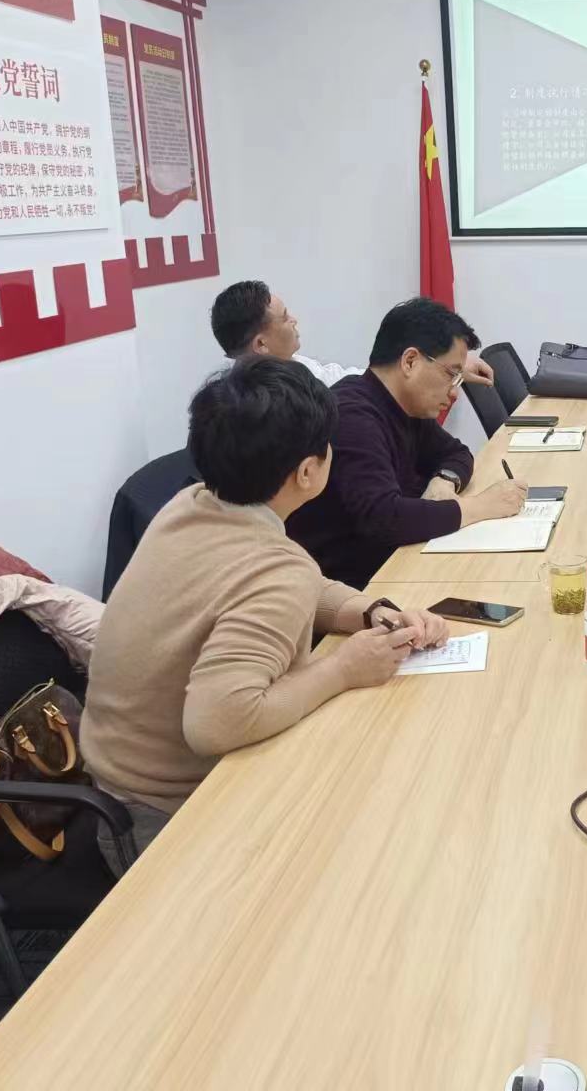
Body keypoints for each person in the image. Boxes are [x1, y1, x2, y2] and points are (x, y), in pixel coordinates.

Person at [81, 358, 449, 871]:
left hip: (112, 785)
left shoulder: (194, 503)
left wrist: (370, 610)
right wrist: (342, 670)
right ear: (308, 472)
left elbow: (288, 582)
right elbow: (218, 723)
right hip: (169, 821)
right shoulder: (275, 569)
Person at [288, 297, 526, 587]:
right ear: (410, 361)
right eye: (452, 374)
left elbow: (456, 453)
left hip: (403, 558)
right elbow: (384, 518)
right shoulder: (352, 416)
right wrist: (481, 506)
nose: (454, 392)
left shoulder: (403, 404)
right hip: (362, 584)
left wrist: (444, 481)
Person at [209, 279, 496, 390]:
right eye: (285, 318)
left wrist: (444, 367)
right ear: (261, 344)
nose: (294, 320)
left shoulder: (293, 365)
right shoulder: (255, 403)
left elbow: (349, 379)